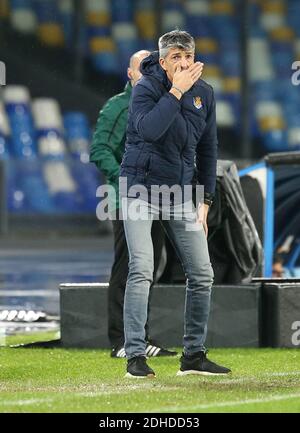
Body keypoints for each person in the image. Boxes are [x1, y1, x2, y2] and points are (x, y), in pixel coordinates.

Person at [120, 30, 231, 378]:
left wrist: (206, 199)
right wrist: (177, 90)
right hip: (140, 188)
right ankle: (135, 356)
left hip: (181, 194)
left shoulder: (206, 94)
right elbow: (150, 130)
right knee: (142, 269)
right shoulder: (146, 88)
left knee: (202, 274)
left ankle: (193, 355)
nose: (184, 64)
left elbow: (208, 150)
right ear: (164, 60)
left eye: (188, 57)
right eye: (176, 58)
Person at [90, 50, 177, 358]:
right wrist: (128, 178)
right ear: (130, 75)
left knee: (149, 266)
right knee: (129, 266)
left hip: (156, 198)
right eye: (143, 68)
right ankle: (121, 340)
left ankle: (139, 337)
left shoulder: (162, 105)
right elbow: (99, 150)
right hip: (126, 198)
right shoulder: (118, 107)